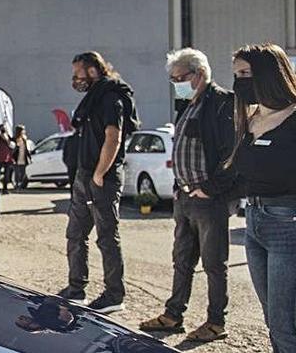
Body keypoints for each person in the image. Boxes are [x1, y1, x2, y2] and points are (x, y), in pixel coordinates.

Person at [139, 48, 236, 343]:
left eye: (179, 78)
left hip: (207, 199)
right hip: (184, 197)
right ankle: (172, 315)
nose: (176, 83)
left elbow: (232, 154)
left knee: (213, 264)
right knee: (182, 260)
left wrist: (209, 188)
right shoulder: (188, 104)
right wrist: (180, 187)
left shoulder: (221, 103)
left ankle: (216, 322)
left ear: (200, 73)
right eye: (172, 79)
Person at [228, 43, 296, 352]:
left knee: (285, 323)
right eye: (236, 74)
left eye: (244, 73)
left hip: (286, 224)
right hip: (253, 224)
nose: (239, 81)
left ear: (268, 74)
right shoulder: (251, 119)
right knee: (273, 318)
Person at [59, 51, 139, 314]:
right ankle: (76, 289)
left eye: (77, 73)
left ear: (93, 71)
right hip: (84, 175)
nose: (75, 79)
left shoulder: (110, 98)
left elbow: (113, 138)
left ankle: (114, 295)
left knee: (106, 236)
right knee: (75, 234)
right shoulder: (93, 99)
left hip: (100, 177)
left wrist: (99, 173)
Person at [0, 125, 15, 194]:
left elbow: (11, 144)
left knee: (6, 174)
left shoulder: (8, 136)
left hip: (8, 157)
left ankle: (5, 188)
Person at [12, 125, 31, 190]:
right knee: (17, 173)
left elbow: (27, 149)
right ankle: (16, 185)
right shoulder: (15, 139)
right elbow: (13, 150)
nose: (24, 131)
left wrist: (29, 157)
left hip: (23, 158)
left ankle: (21, 185)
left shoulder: (24, 138)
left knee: (23, 173)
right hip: (16, 158)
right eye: (23, 130)